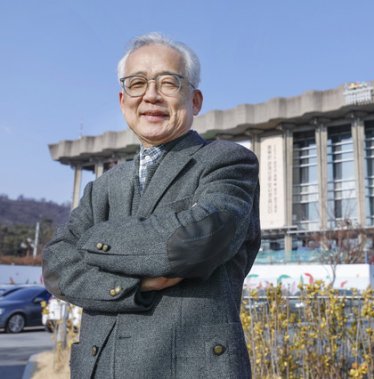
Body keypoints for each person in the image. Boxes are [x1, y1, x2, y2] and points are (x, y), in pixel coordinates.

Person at [42, 33, 260, 378]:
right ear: (122, 99)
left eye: (169, 83)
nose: (151, 95)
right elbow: (56, 266)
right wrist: (134, 285)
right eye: (137, 83)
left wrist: (91, 241)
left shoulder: (227, 161)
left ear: (195, 100)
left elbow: (195, 240)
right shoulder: (104, 186)